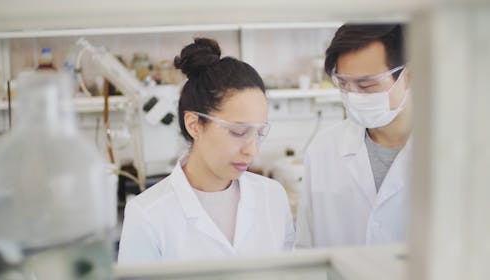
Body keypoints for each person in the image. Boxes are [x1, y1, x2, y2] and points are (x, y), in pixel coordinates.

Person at [118, 38, 294, 263]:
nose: (251, 150)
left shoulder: (272, 197)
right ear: (194, 125)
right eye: (238, 131)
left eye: (259, 132)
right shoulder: (147, 215)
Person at [296, 24, 411, 247]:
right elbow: (305, 247)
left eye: (366, 85)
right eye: (344, 85)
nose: (353, 96)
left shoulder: (453, 149)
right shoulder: (324, 149)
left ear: (410, 76)